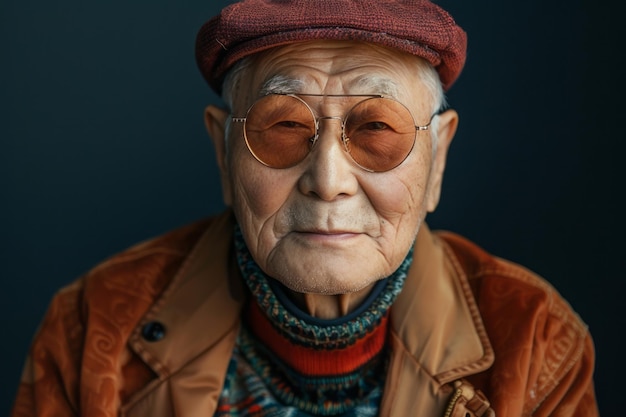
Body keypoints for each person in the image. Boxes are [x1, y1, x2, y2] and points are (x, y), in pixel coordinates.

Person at [11, 0, 599, 416]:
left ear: (437, 159)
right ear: (223, 151)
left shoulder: (535, 339)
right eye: (285, 125)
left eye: (376, 127)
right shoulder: (92, 328)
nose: (327, 180)